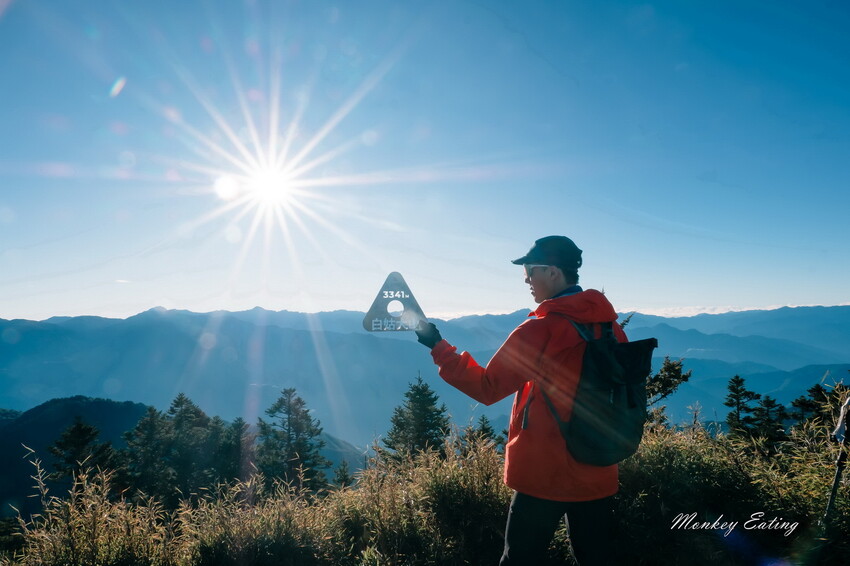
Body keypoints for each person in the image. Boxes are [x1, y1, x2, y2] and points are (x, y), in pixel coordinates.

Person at [415, 235, 627, 565]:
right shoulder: (611, 327)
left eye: (530, 269)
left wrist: (438, 347)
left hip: (544, 475)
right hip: (598, 465)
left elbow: (487, 388)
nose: (526, 278)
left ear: (553, 272)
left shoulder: (539, 330)